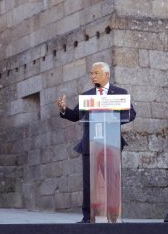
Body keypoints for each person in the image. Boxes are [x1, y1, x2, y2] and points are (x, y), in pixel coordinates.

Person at [56, 61, 136, 223]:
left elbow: (131, 114)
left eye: (96, 73)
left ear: (107, 75)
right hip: (91, 145)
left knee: (112, 182)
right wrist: (64, 109)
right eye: (91, 73)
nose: (93, 76)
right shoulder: (87, 95)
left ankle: (114, 217)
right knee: (89, 183)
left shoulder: (119, 93)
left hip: (112, 144)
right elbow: (76, 116)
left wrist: (112, 118)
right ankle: (88, 218)